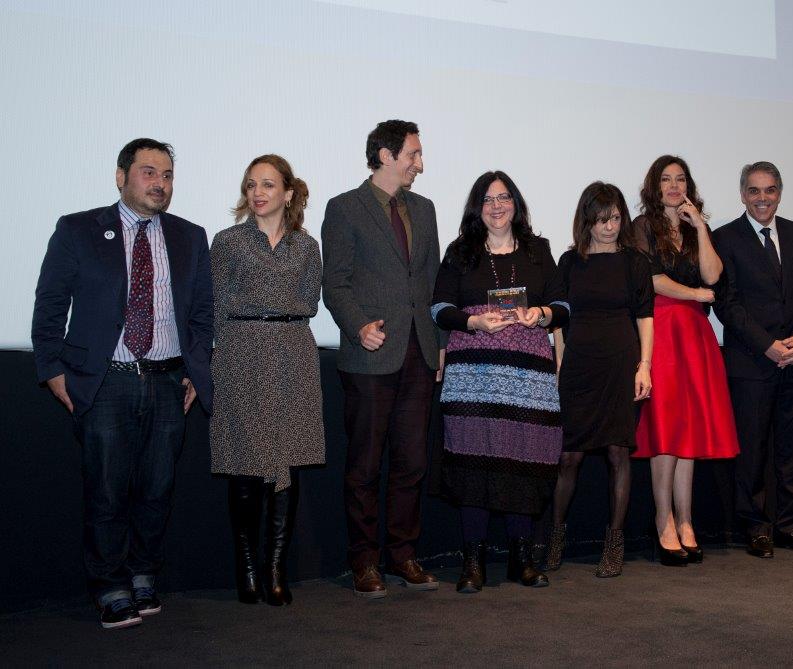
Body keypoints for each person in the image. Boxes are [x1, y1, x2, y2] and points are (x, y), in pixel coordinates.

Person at [31, 138, 213, 629]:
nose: (160, 183)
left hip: (167, 382)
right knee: (107, 493)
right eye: (149, 172)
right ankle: (109, 585)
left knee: (157, 490)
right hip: (104, 383)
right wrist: (51, 371)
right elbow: (50, 305)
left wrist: (198, 370)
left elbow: (200, 314)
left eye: (168, 175)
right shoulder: (78, 230)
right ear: (121, 177)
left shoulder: (190, 236)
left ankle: (143, 575)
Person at [431, 170, 569, 593]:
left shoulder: (538, 250)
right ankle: (473, 563)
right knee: (474, 463)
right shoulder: (460, 252)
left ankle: (522, 559)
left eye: (504, 197)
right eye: (488, 199)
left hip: (528, 381)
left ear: (516, 203)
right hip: (473, 378)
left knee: (522, 463)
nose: (496, 206)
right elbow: (438, 309)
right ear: (478, 207)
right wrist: (473, 321)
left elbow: (563, 305)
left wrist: (540, 315)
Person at [322, 120, 443, 598]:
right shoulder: (344, 208)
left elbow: (432, 283)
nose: (420, 163)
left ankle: (403, 555)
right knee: (365, 465)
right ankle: (364, 561)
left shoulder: (425, 209)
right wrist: (358, 326)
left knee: (412, 462)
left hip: (420, 354)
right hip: (369, 357)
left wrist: (441, 346)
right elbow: (336, 284)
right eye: (413, 153)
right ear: (386, 155)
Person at [209, 154, 325, 605]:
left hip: (293, 353)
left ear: (288, 193)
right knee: (246, 462)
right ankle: (248, 567)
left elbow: (309, 301)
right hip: (241, 354)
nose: (257, 193)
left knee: (288, 460)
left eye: (268, 185)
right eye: (251, 184)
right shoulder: (228, 242)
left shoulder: (306, 246)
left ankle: (276, 568)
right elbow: (217, 306)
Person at [712, 161, 793, 559]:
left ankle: (791, 526)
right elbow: (727, 304)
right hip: (751, 362)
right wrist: (768, 345)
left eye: (770, 190)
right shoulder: (724, 238)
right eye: (755, 191)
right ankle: (756, 528)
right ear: (743, 194)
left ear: (780, 192)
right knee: (753, 452)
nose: (763, 198)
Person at [631, 155, 740, 566]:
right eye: (666, 179)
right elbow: (653, 280)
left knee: (689, 431)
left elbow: (713, 276)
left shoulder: (698, 228)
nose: (674, 186)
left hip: (695, 335)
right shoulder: (643, 227)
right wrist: (694, 295)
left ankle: (687, 520)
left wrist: (700, 229)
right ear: (654, 186)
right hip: (662, 330)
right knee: (666, 430)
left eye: (680, 179)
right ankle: (663, 521)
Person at [546, 182, 653, 578]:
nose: (609, 226)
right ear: (586, 220)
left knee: (617, 453)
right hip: (579, 365)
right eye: (601, 218)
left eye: (615, 218)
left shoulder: (635, 263)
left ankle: (614, 544)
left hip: (621, 363)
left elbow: (645, 317)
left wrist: (645, 365)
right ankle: (555, 538)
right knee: (568, 456)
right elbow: (558, 317)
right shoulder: (569, 261)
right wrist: (559, 361)